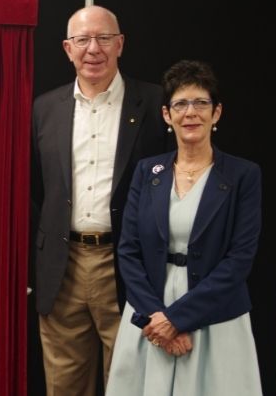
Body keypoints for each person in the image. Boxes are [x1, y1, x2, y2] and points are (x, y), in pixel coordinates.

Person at [31, 5, 169, 395]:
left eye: (104, 38)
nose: (94, 48)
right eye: (83, 40)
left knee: (130, 383)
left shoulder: (156, 105)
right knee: (63, 385)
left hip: (128, 266)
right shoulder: (44, 109)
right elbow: (38, 190)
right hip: (63, 267)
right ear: (67, 48)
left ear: (120, 44)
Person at [105, 60, 262, 395]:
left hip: (214, 317)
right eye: (180, 104)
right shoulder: (147, 172)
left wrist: (177, 320)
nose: (190, 113)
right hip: (150, 315)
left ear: (216, 113)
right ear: (167, 115)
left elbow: (239, 260)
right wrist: (156, 317)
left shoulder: (243, 176)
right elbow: (128, 252)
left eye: (200, 103)